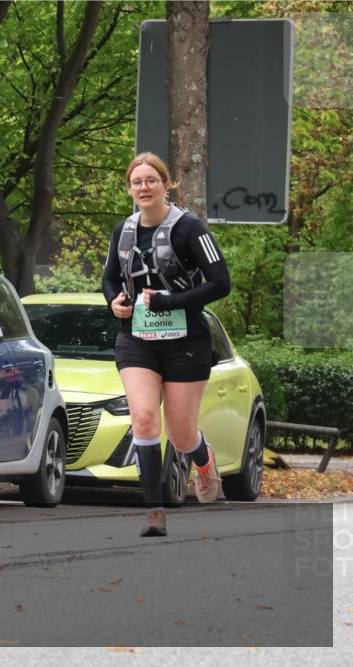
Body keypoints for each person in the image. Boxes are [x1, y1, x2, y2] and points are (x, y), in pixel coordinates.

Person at [102, 152, 231, 537]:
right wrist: (114, 302)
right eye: (137, 182)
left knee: (180, 434)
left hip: (186, 341)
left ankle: (204, 462)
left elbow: (221, 283)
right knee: (143, 417)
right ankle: (154, 511)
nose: (144, 187)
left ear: (165, 184)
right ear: (129, 189)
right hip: (137, 340)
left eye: (151, 180)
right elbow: (110, 278)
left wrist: (171, 301)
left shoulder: (190, 228)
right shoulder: (123, 231)